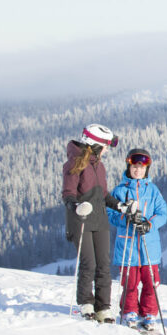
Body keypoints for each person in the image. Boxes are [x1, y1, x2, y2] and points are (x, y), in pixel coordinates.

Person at [62, 123, 138, 322]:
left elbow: (103, 195)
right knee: (89, 263)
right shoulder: (74, 163)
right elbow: (68, 194)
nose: (106, 150)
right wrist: (76, 207)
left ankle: (103, 307)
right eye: (105, 146)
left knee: (103, 264)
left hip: (99, 220)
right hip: (81, 220)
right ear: (95, 145)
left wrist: (120, 206)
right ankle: (86, 304)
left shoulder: (99, 165)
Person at [107, 148, 167, 330]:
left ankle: (149, 313)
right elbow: (110, 214)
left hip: (149, 245)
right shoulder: (120, 191)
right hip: (128, 245)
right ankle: (129, 311)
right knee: (130, 283)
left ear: (146, 170)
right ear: (129, 167)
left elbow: (162, 213)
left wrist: (149, 224)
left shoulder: (153, 190)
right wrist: (125, 216)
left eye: (141, 168)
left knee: (151, 282)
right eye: (134, 167)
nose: (137, 171)